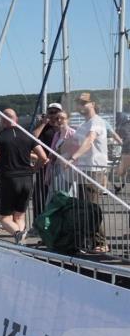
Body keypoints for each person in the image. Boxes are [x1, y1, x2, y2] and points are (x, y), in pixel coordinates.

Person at [0, 108, 47, 244]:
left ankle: (17, 233)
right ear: (16, 119)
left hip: (9, 179)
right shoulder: (28, 135)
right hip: (27, 179)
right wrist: (34, 169)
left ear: (3, 120)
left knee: (5, 218)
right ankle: (20, 242)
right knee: (19, 216)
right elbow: (43, 157)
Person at [69, 93, 111, 252]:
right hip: (83, 170)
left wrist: (74, 157)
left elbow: (89, 140)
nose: (80, 106)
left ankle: (100, 243)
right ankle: (91, 241)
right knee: (85, 208)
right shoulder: (83, 124)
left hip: (93, 170)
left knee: (91, 208)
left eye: (84, 103)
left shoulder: (97, 122)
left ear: (93, 103)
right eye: (79, 103)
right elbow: (72, 142)